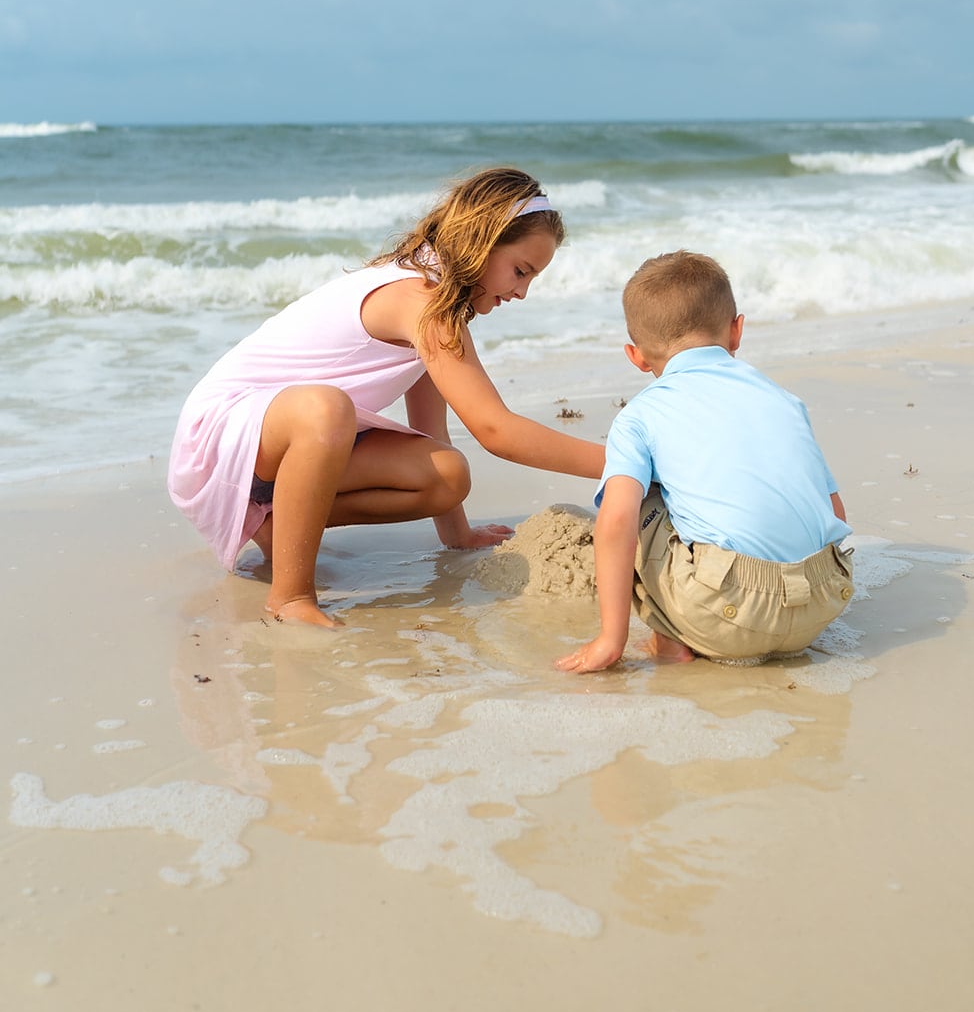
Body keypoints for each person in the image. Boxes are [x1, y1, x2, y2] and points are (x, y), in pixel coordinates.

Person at [168, 167, 605, 629]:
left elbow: (430, 430)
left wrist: (457, 535)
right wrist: (624, 462)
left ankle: (277, 530)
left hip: (290, 450)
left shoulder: (437, 301)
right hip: (222, 441)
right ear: (481, 238)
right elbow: (495, 429)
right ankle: (290, 596)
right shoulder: (417, 299)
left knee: (447, 474)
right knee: (327, 408)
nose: (521, 292)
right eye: (521, 271)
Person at [556, 250, 853, 674]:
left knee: (639, 491)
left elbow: (617, 522)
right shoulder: (785, 401)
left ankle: (670, 638)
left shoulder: (640, 415)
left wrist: (611, 639)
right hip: (822, 601)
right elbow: (834, 512)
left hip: (723, 613)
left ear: (636, 356)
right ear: (737, 331)